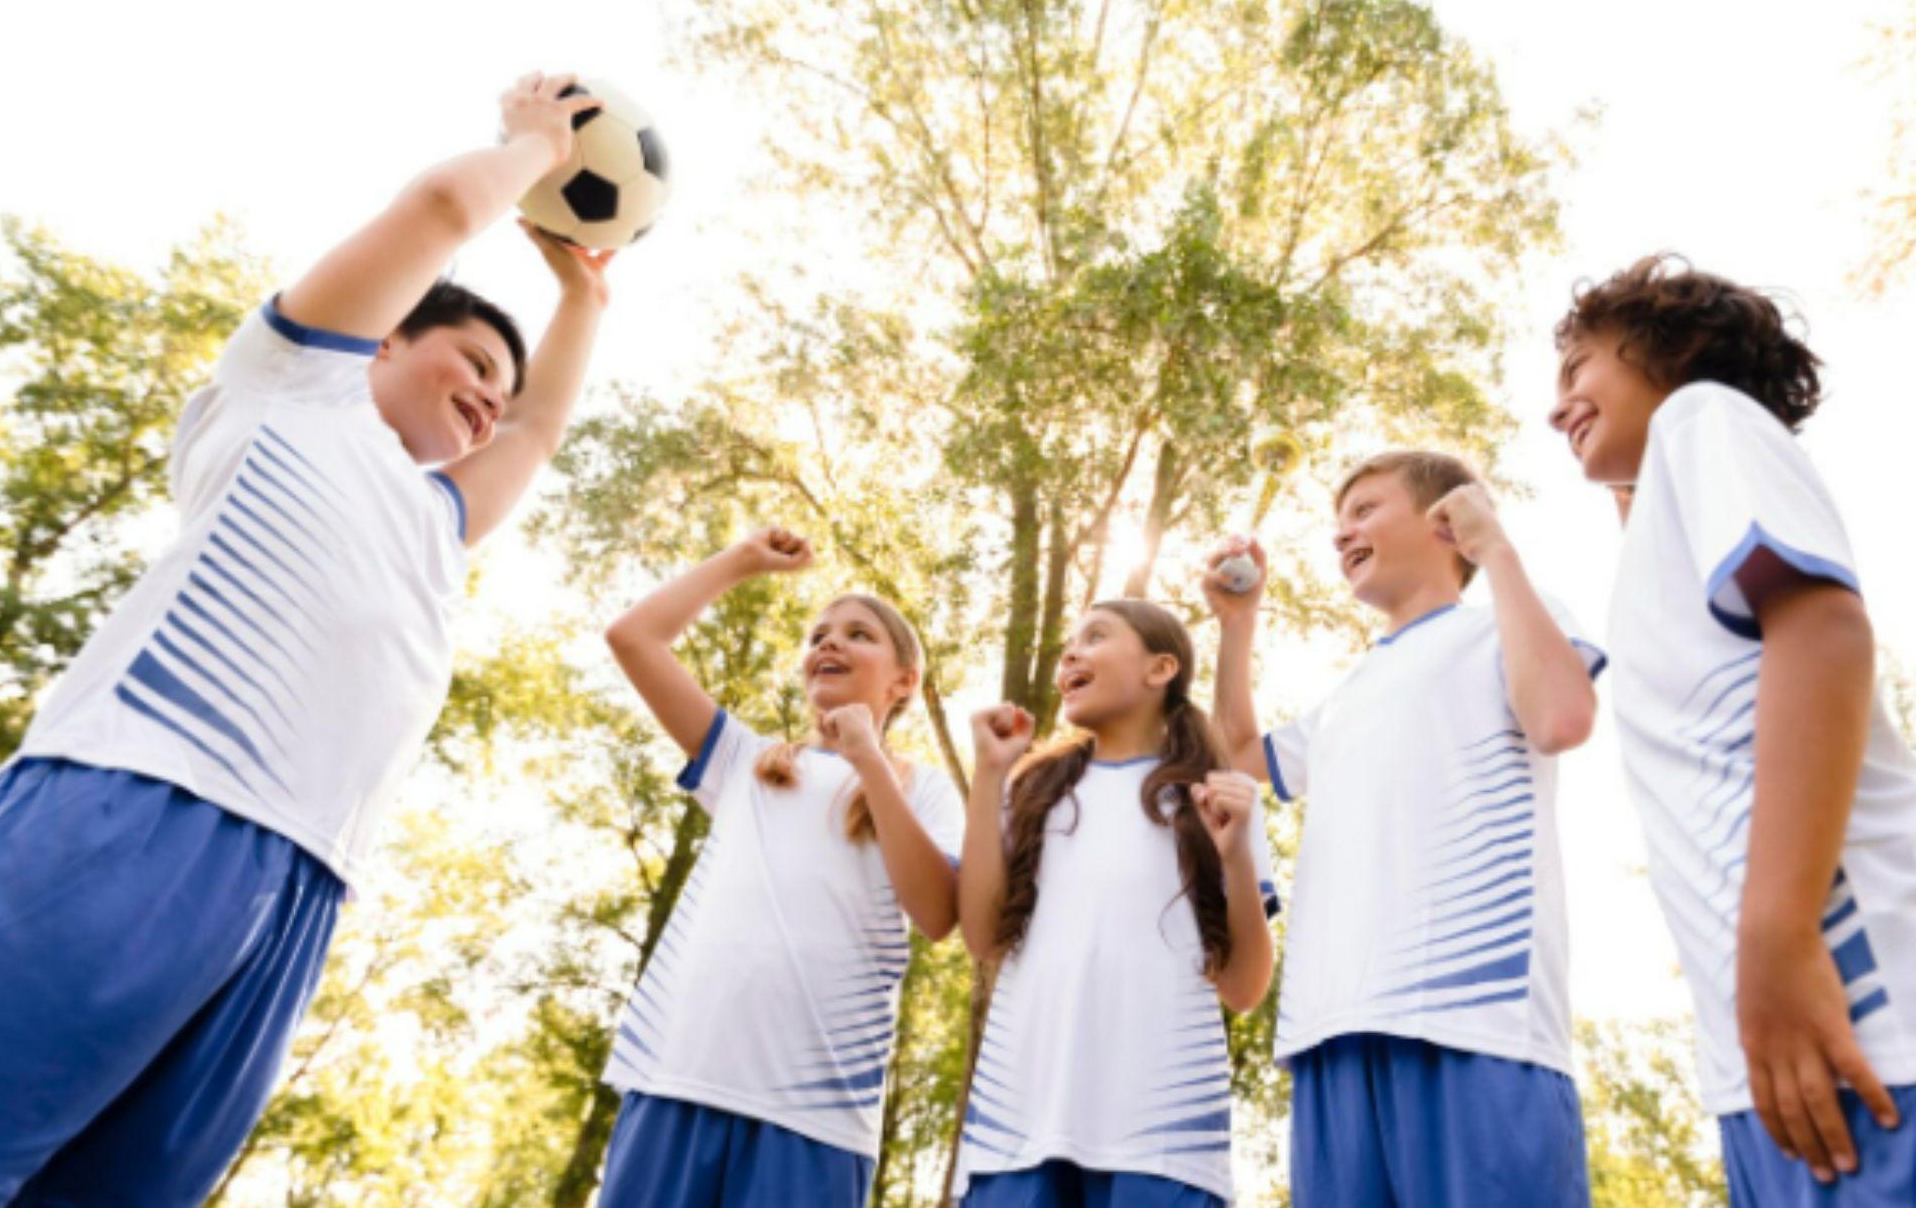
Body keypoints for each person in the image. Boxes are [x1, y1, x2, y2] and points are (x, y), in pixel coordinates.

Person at [0, 72, 616, 1207]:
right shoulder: (293, 384)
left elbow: (542, 425)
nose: (489, 397)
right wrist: (527, 147)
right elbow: (433, 216)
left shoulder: (437, 521)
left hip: (297, 893)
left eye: (498, 386)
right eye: (471, 361)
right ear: (381, 342)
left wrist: (584, 300)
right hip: (139, 800)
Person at [1550, 253, 1916, 1205]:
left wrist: (1775, 940)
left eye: (1578, 370)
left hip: (1883, 1024)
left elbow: (1822, 628)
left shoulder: (1703, 416)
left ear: (1677, 351)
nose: (1557, 406)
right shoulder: (1661, 520)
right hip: (1776, 1054)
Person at [1205, 450, 1603, 1206]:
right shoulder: (1347, 695)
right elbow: (1237, 755)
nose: (1341, 534)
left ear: (1444, 520)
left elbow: (1561, 718)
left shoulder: (1505, 622)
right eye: (1338, 521)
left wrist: (1497, 550)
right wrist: (1237, 625)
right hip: (1331, 1032)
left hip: (1472, 1024)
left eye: (1364, 510)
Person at [594, 526, 963, 1208]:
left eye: (858, 634)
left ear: (904, 681)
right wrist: (740, 561)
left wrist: (869, 763)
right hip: (676, 1077)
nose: (829, 642)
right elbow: (632, 639)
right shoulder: (744, 761)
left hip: (815, 1115)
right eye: (819, 633)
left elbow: (939, 913)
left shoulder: (925, 790)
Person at [955, 599, 1278, 1207]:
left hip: (1164, 1142)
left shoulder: (1216, 800)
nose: (1071, 653)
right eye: (1068, 643)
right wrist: (988, 776)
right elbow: (982, 936)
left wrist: (1235, 855)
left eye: (1096, 636)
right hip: (1017, 1128)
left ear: (1161, 668)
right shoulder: (1028, 790)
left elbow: (1244, 987)